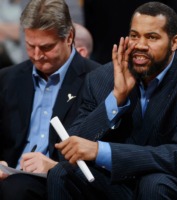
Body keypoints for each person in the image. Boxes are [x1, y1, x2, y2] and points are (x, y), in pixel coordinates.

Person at [47, 2, 177, 200]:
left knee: (153, 185)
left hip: (170, 184)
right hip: (118, 184)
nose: (140, 45)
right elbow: (70, 151)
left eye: (152, 37)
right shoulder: (102, 77)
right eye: (134, 36)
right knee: (62, 173)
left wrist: (101, 151)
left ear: (174, 43)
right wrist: (116, 98)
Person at [0, 0, 100, 199]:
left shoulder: (97, 79)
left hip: (61, 180)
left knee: (16, 190)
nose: (37, 56)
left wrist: (55, 167)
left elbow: (101, 152)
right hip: (11, 174)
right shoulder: (7, 78)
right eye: (30, 46)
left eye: (46, 47)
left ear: (69, 37)